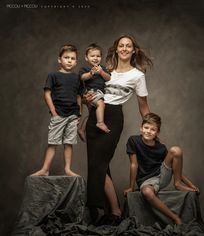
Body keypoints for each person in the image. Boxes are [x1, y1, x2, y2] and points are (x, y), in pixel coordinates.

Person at [84, 35, 153, 225]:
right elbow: (92, 97)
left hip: (113, 118)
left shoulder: (138, 75)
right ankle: (111, 210)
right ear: (116, 49)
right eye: (120, 45)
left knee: (99, 162)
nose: (124, 48)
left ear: (133, 50)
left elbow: (143, 106)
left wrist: (151, 128)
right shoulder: (106, 70)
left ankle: (106, 209)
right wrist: (85, 106)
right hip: (94, 117)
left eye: (128, 46)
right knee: (97, 164)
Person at [124, 112, 200, 225]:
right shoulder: (133, 141)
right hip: (146, 181)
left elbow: (175, 169)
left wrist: (190, 185)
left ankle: (177, 184)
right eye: (146, 127)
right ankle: (175, 218)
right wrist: (131, 187)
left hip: (162, 175)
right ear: (141, 128)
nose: (148, 131)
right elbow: (134, 165)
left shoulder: (161, 148)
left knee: (176, 150)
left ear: (157, 132)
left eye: (152, 129)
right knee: (147, 192)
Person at [31, 45, 82, 176]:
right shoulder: (53, 75)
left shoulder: (77, 78)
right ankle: (45, 169)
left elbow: (78, 96)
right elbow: (47, 94)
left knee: (68, 143)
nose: (69, 60)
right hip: (58, 114)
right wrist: (53, 111)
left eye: (72, 58)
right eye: (66, 58)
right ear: (59, 60)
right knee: (53, 143)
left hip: (72, 115)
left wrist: (79, 114)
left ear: (76, 61)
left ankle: (68, 169)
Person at [78, 43, 111, 141]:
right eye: (92, 56)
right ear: (86, 58)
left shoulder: (103, 68)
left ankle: (81, 129)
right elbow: (82, 77)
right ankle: (100, 122)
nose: (95, 58)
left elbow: (108, 78)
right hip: (92, 92)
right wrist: (91, 73)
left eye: (98, 56)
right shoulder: (85, 69)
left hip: (100, 92)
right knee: (101, 104)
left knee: (92, 114)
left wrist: (101, 72)